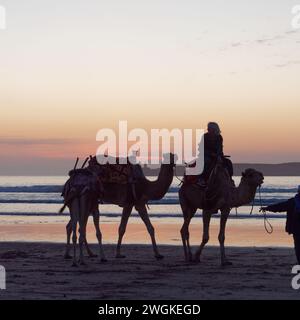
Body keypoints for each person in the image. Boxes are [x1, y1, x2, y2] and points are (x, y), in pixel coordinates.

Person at [261, 186, 300, 264]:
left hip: (296, 229)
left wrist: (267, 208)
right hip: (296, 229)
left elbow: (279, 207)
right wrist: (268, 208)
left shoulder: (293, 202)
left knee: (298, 248)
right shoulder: (292, 202)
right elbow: (279, 207)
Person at [198, 122, 228, 186]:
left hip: (217, 155)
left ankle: (228, 179)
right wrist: (211, 154)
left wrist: (219, 155)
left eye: (209, 128)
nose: (207, 129)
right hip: (205, 155)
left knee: (227, 162)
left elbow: (220, 147)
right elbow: (202, 148)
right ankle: (202, 178)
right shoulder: (205, 136)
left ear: (214, 129)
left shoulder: (219, 137)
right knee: (206, 162)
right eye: (208, 128)